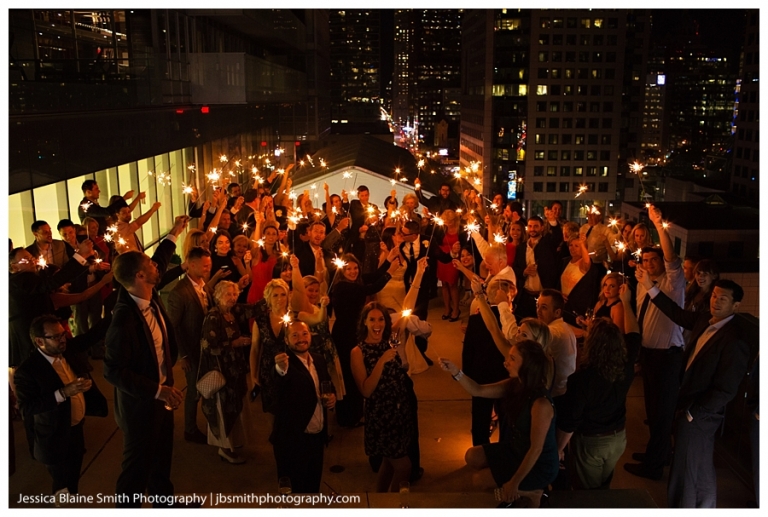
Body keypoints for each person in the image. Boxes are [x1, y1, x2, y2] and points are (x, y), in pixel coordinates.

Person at [635, 272, 750, 508]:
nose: (715, 301)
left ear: (736, 305)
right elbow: (676, 313)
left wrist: (694, 412)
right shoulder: (705, 319)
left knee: (686, 465)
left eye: (723, 299)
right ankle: (704, 506)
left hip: (699, 414)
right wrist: (649, 286)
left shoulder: (734, 340)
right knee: (700, 464)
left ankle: (682, 507)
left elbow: (726, 389)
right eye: (714, 295)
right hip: (690, 406)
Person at [102, 215, 189, 508]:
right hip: (141, 405)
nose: (156, 265)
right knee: (136, 468)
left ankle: (164, 503)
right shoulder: (124, 320)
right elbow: (113, 371)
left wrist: (175, 233)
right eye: (149, 265)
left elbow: (161, 260)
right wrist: (156, 389)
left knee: (162, 457)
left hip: (164, 394)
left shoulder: (150, 294)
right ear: (139, 276)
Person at [438, 340, 559, 507]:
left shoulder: (541, 404)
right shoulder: (515, 385)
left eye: (512, 359)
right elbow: (478, 390)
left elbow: (536, 449)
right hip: (516, 449)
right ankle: (517, 490)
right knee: (471, 456)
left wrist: (515, 482)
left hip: (539, 464)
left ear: (528, 365)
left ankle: (533, 493)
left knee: (479, 481)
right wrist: (455, 371)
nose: (506, 362)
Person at [555, 284, 641, 489]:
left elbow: (571, 421)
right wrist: (627, 303)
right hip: (618, 438)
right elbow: (635, 334)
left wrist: (558, 448)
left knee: (590, 495)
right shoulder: (625, 364)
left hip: (592, 442)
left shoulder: (582, 379)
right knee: (604, 485)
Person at [623, 205, 686, 481]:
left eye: (653, 260)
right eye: (645, 260)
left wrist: (658, 225)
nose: (649, 264)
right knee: (652, 410)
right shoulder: (642, 282)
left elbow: (672, 258)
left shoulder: (673, 283)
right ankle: (656, 453)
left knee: (662, 414)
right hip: (649, 354)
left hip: (668, 357)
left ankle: (655, 466)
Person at [14, 314, 108, 499]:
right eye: (56, 337)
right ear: (39, 341)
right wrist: (63, 393)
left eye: (63, 334)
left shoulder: (66, 349)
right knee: (62, 483)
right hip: (54, 436)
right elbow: (27, 407)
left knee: (73, 479)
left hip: (76, 429)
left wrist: (115, 312)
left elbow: (90, 337)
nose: (62, 340)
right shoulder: (28, 371)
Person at [351, 302, 417, 492]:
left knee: (389, 463)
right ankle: (391, 507)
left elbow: (406, 312)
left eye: (381, 319)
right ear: (364, 322)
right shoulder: (357, 352)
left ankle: (379, 501)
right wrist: (382, 361)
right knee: (404, 466)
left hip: (400, 412)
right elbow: (365, 390)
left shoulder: (389, 341)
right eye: (372, 319)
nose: (377, 324)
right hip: (382, 416)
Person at [331, 250, 401, 427]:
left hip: (353, 332)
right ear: (342, 272)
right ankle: (348, 416)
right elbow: (372, 287)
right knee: (349, 374)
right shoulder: (343, 287)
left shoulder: (354, 282)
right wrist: (390, 272)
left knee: (355, 371)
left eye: (356, 268)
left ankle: (353, 413)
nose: (353, 272)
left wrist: (388, 260)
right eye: (349, 269)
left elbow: (371, 276)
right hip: (345, 335)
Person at [271, 321, 336, 493]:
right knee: (294, 492)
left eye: (304, 334)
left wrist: (332, 397)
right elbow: (276, 386)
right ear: (286, 340)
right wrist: (280, 369)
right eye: (295, 335)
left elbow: (328, 385)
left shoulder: (319, 360)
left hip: (317, 438)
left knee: (312, 488)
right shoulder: (286, 364)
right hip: (293, 441)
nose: (301, 339)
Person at [9, 240, 94, 367]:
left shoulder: (31, 279)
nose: (32, 261)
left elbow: (56, 280)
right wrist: (80, 256)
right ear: (14, 267)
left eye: (31, 257)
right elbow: (52, 282)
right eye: (25, 260)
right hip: (27, 331)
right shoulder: (20, 279)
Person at [199, 281, 252, 464]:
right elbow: (208, 347)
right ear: (219, 295)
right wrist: (234, 344)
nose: (232, 298)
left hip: (235, 371)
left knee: (235, 410)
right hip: (222, 373)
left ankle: (233, 443)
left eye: (234, 294)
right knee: (223, 410)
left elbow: (253, 308)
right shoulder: (214, 317)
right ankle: (224, 448)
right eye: (228, 294)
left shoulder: (231, 313)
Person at [165, 246, 214, 445]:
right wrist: (183, 356)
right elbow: (174, 327)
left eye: (209, 265)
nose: (207, 269)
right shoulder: (179, 292)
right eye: (204, 265)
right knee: (193, 392)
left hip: (206, 348)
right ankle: (190, 429)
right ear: (191, 265)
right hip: (191, 351)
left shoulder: (204, 285)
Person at [291, 264, 346, 402]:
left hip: (328, 350)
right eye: (310, 290)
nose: (314, 294)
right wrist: (323, 307)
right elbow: (318, 319)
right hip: (315, 352)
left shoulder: (317, 306)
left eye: (316, 291)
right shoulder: (300, 313)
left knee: (330, 388)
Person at [249, 279, 291, 416]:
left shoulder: (294, 319)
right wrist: (253, 375)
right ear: (268, 298)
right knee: (273, 411)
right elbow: (255, 349)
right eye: (275, 295)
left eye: (283, 294)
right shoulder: (260, 321)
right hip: (268, 372)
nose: (280, 298)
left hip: (291, 370)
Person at [536, 289, 577, 397]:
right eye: (538, 306)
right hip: (565, 390)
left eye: (544, 307)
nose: (538, 311)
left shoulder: (553, 332)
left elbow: (520, 345)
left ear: (557, 312)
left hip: (555, 395)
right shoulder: (563, 326)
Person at [559, 234, 598, 326]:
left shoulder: (585, 264)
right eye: (571, 245)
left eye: (577, 246)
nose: (572, 248)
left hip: (577, 307)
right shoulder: (565, 262)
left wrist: (583, 244)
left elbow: (586, 261)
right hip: (564, 305)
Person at [435, 209, 463, 321]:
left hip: (454, 257)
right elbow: (436, 241)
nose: (447, 223)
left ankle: (456, 309)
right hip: (442, 256)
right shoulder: (441, 228)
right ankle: (447, 308)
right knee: (444, 284)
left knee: (452, 284)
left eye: (449, 221)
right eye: (445, 221)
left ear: (454, 220)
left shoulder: (460, 230)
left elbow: (464, 243)